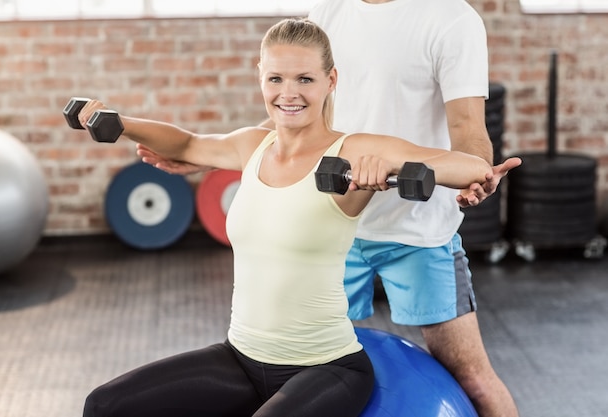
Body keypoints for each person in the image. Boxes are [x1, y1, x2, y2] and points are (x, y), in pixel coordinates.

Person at [75, 18, 519, 417]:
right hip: (242, 359)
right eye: (277, 79)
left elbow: (457, 163)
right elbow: (188, 143)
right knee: (105, 405)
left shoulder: (352, 151)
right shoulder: (254, 147)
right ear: (261, 80)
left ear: (331, 81)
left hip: (327, 368)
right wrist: (118, 122)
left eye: (305, 79)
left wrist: (461, 173)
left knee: (474, 376)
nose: (289, 93)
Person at [306, 1, 520, 416]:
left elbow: (468, 128)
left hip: (419, 231)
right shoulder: (327, 11)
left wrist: (476, 171)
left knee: (473, 379)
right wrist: (212, 152)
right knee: (296, 367)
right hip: (335, 225)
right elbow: (301, 111)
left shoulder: (452, 19)